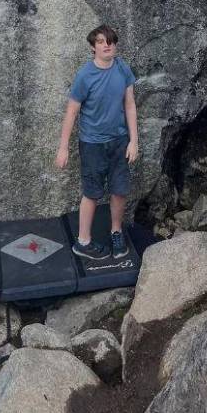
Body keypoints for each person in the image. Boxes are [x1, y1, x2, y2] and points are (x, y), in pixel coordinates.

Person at [55, 24, 139, 259]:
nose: (107, 45)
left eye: (110, 41)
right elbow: (72, 111)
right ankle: (83, 242)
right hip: (92, 144)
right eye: (101, 41)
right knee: (92, 192)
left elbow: (130, 105)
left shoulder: (123, 69)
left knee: (119, 190)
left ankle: (116, 232)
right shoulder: (85, 75)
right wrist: (63, 148)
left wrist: (134, 141)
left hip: (119, 141)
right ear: (93, 47)